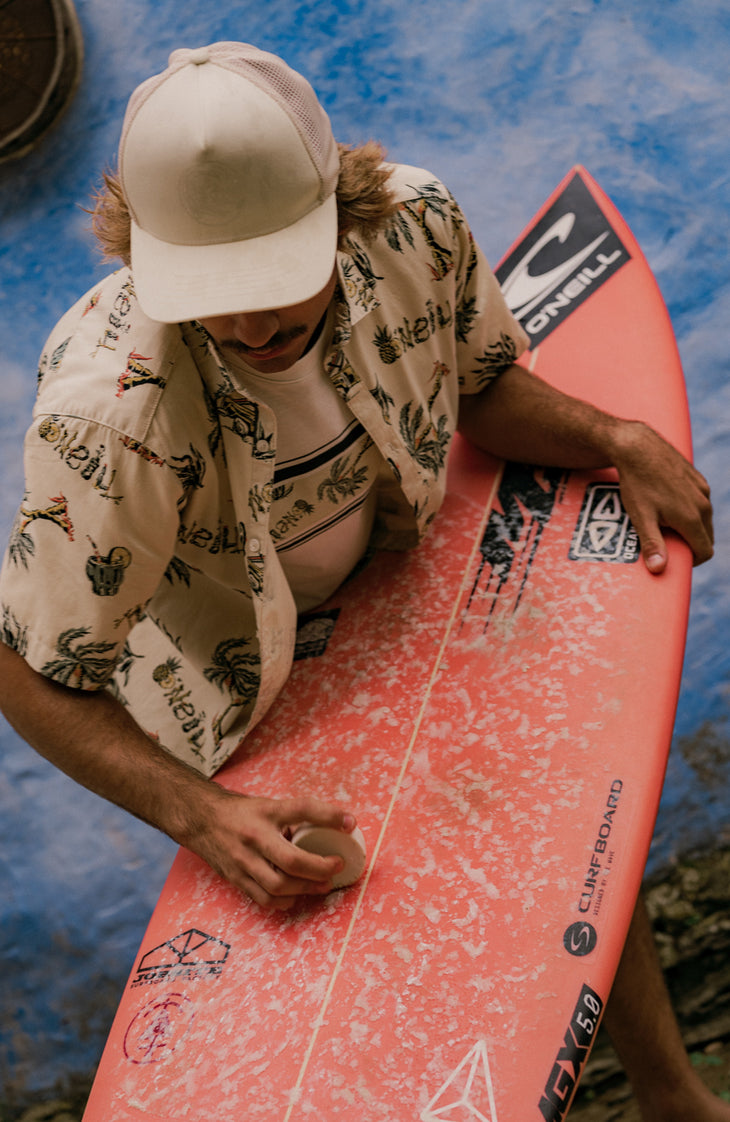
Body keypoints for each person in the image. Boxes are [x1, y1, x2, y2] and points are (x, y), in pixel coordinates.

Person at [0, 41, 723, 1121]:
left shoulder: (414, 226)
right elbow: (26, 671)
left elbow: (481, 389)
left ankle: (673, 1101)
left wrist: (613, 434)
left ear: (342, 207)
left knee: (548, 833)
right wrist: (205, 818)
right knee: (374, 945)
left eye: (274, 286)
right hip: (252, 695)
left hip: (410, 569)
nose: (248, 327)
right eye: (214, 296)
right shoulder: (107, 419)